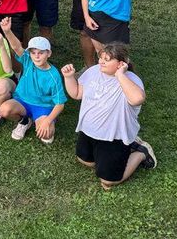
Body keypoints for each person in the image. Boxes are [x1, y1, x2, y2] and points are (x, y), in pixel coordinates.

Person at [61, 43, 157, 189]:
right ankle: (119, 152)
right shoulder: (93, 71)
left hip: (114, 136)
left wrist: (120, 75)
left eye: (107, 59)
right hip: (89, 131)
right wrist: (68, 77)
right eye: (101, 57)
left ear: (121, 63)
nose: (101, 62)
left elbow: (137, 99)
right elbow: (77, 93)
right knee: (85, 161)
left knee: (108, 181)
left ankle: (141, 152)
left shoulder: (131, 79)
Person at [0, 18, 67, 143]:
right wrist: (7, 31)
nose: (36, 56)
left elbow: (60, 103)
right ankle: (24, 121)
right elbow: (17, 47)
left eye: (41, 53)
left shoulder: (54, 75)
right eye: (33, 52)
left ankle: (40, 120)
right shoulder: (28, 60)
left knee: (47, 135)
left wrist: (48, 120)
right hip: (22, 101)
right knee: (4, 109)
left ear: (48, 53)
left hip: (43, 107)